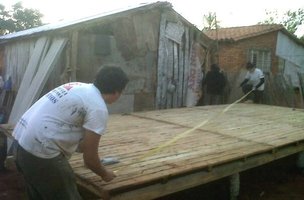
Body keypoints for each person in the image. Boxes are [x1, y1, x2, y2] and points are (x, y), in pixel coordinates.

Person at [12, 66, 129, 199]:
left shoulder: (76, 86)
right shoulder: (98, 108)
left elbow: (80, 142)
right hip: (41, 154)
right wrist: (104, 173)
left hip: (20, 144)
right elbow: (89, 160)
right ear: (116, 92)